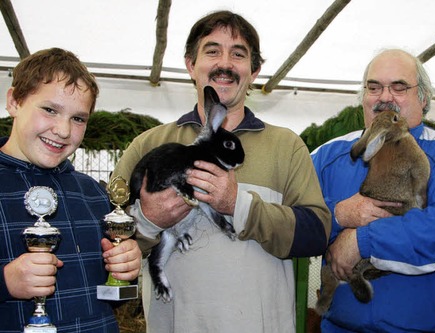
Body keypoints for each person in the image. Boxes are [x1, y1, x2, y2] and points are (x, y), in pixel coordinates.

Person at [110, 10, 331, 333]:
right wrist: (149, 220)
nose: (224, 63)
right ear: (191, 65)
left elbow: (316, 235)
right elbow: (111, 244)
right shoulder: (148, 145)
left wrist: (237, 204)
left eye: (238, 54)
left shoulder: (287, 146)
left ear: (254, 71)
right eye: (212, 51)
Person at [311, 48, 435, 332]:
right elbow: (292, 217)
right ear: (363, 97)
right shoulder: (328, 155)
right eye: (374, 87)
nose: (385, 97)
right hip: (340, 327)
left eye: (399, 87)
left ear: (423, 98)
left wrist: (360, 242)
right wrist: (338, 215)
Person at [0, 48, 142, 332]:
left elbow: (107, 295)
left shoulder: (93, 194)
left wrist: (124, 269)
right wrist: (5, 283)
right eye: (50, 110)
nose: (63, 130)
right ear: (14, 101)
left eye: (78, 118)